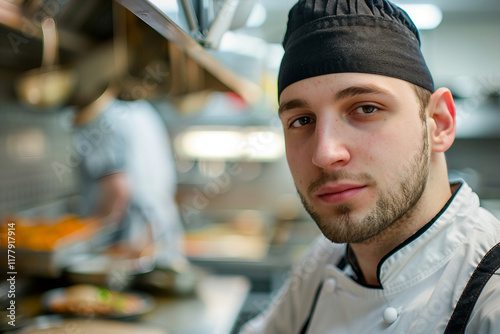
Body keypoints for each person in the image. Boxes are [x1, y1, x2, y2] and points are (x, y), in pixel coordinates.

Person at [240, 0, 500, 333]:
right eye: (302, 120)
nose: (324, 153)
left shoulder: (489, 295)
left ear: (439, 123)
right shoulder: (327, 259)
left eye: (365, 109)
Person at [72, 85, 190, 283]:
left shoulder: (100, 117)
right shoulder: (142, 110)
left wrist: (84, 241)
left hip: (130, 243)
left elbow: (117, 189)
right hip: (160, 233)